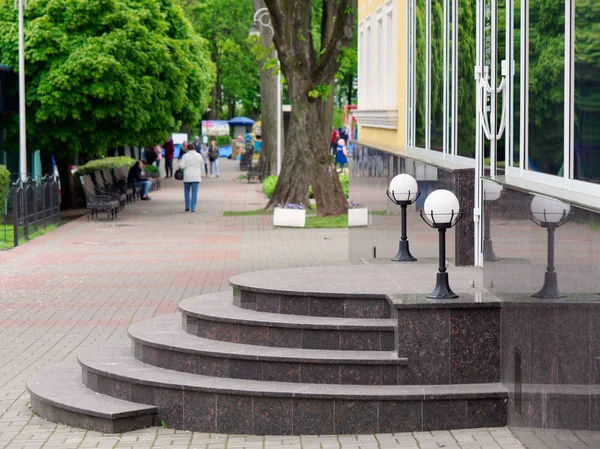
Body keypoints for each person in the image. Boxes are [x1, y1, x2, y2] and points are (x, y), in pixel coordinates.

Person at [179, 143, 203, 212]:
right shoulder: (199, 155)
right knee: (194, 192)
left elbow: (182, 166)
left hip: (187, 176)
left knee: (187, 191)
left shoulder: (185, 156)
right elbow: (202, 166)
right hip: (196, 176)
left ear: (187, 148)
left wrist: (180, 165)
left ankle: (187, 207)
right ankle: (193, 208)